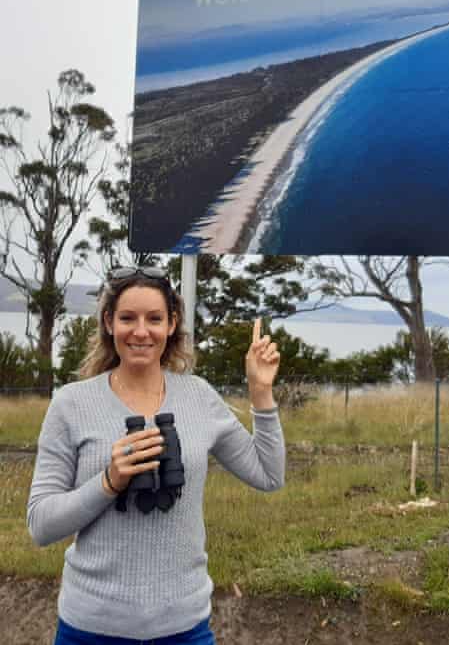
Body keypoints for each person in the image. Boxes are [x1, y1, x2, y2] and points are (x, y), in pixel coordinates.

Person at [27, 266, 285, 644]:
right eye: (128, 318)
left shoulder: (198, 396)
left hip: (185, 629)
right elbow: (41, 526)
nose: (141, 331)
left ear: (172, 324)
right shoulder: (71, 404)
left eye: (155, 319)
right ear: (108, 322)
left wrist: (261, 394)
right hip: (91, 630)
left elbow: (268, 474)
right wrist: (108, 482)